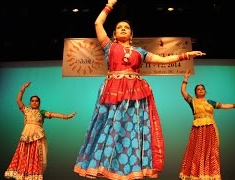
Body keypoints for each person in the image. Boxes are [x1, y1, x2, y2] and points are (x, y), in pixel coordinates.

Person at [73, 0, 206, 179]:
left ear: (131, 34)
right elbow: (98, 23)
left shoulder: (139, 52)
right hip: (113, 91)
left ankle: (131, 167)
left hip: (135, 94)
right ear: (113, 34)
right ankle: (103, 165)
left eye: (126, 27)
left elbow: (163, 60)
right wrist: (109, 5)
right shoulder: (109, 47)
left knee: (132, 131)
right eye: (119, 27)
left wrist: (187, 54)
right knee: (110, 128)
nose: (122, 28)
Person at [179, 70, 235, 180]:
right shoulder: (192, 101)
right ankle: (194, 174)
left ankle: (209, 174)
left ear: (205, 91)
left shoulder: (210, 102)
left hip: (209, 129)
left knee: (210, 152)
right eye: (198, 89)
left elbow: (225, 106)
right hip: (197, 130)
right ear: (196, 92)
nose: (200, 90)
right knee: (196, 151)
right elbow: (183, 92)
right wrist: (185, 79)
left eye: (202, 89)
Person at [4, 82, 77, 180]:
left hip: (37, 138)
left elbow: (53, 114)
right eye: (32, 101)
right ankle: (22, 174)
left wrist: (66, 116)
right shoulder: (26, 110)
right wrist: (23, 88)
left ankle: (33, 175)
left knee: (35, 157)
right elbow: (18, 100)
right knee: (23, 156)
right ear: (30, 102)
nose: (34, 102)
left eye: (36, 101)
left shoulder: (41, 113)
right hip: (26, 137)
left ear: (39, 103)